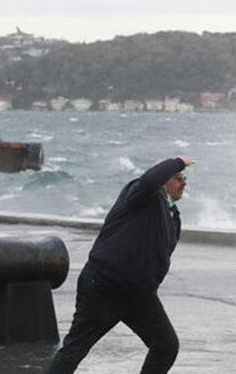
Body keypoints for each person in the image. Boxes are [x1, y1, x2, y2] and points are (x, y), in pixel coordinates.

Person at [44, 155, 195, 374]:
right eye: (178, 176)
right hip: (105, 287)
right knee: (75, 349)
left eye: (184, 177)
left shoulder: (173, 215)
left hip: (139, 295)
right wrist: (178, 161)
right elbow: (150, 180)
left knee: (166, 346)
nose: (184, 182)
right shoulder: (140, 193)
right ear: (162, 178)